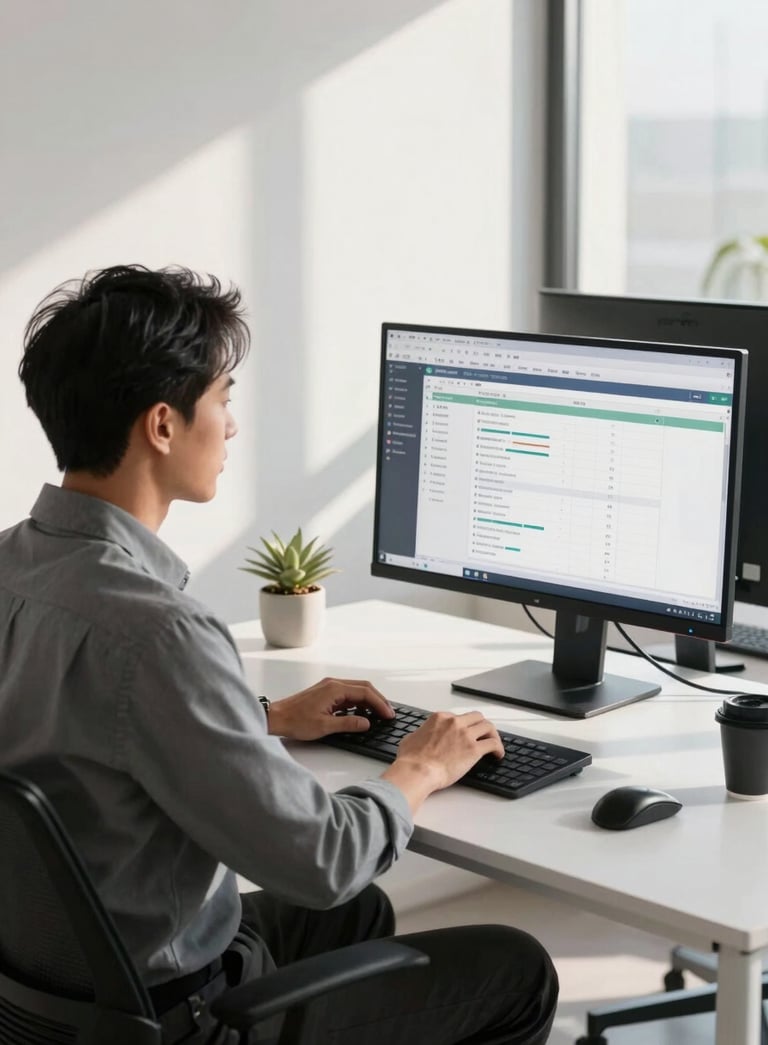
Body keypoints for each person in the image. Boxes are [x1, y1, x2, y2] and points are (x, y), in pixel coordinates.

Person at [0, 264, 558, 1044]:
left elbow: (75, 730)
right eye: (222, 399)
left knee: (361, 912)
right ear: (162, 425)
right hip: (180, 1019)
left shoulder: (13, 568)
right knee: (517, 967)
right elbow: (324, 859)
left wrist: (260, 716)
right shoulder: (159, 632)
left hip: (57, 1004)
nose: (231, 426)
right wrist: (421, 767)